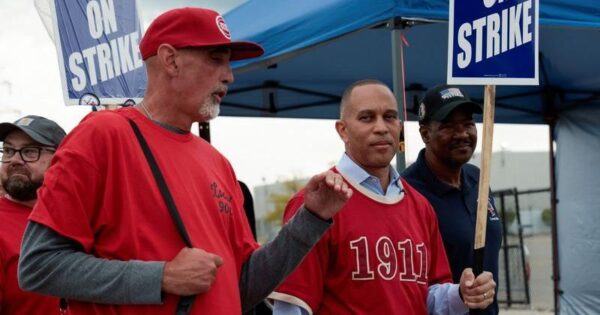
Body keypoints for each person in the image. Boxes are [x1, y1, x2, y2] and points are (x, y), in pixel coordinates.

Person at [18, 7, 352, 315]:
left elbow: (242, 287)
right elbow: (38, 265)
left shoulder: (218, 162)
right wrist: (160, 277)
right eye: (216, 59)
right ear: (170, 60)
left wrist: (312, 218)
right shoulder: (103, 134)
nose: (229, 76)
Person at [270, 80, 496, 315]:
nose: (381, 127)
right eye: (367, 117)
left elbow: (428, 296)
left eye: (389, 117)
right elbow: (292, 306)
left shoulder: (420, 207)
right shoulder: (316, 205)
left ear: (399, 125)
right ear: (343, 130)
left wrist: (461, 293)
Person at [402, 84, 503, 314]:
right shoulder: (407, 192)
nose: (462, 134)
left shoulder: (478, 177)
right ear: (425, 134)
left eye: (468, 123)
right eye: (448, 126)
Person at [0, 115, 66, 314]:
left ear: (60, 158)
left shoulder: (84, 218)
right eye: (8, 150)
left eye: (30, 152)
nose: (14, 160)